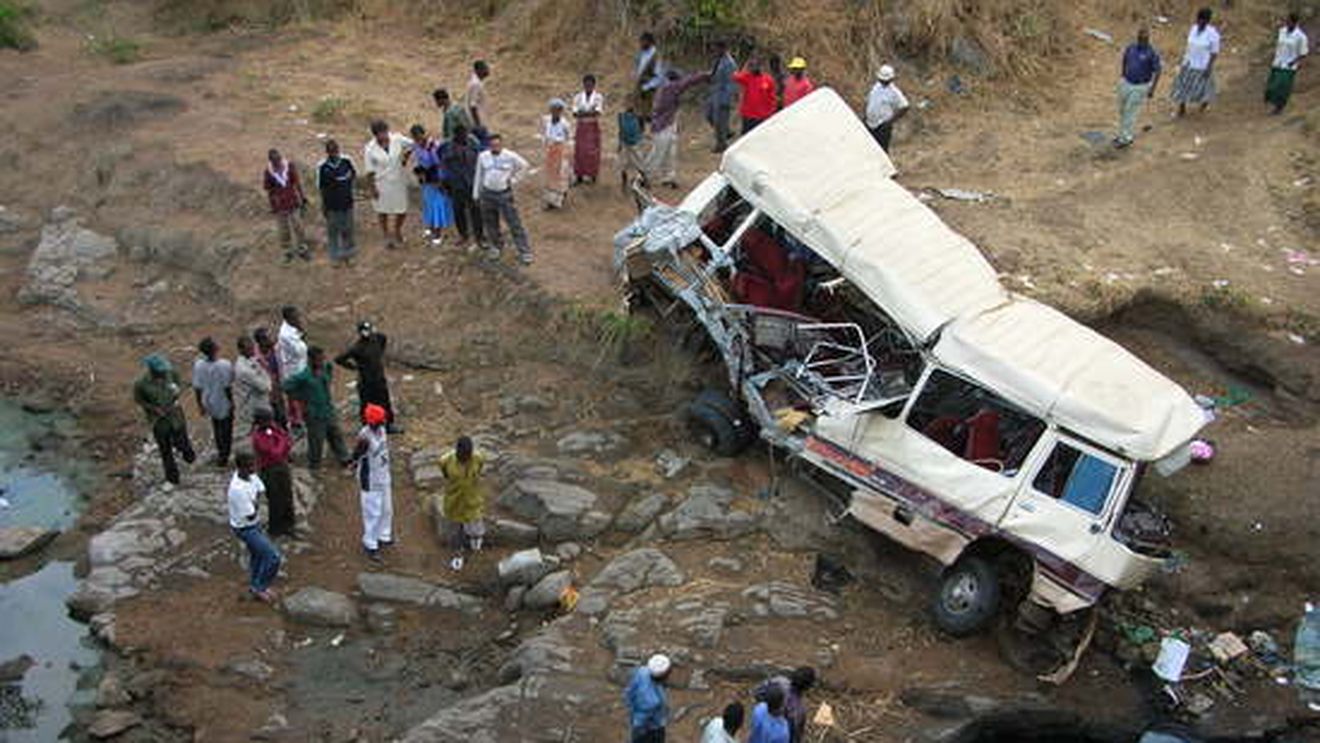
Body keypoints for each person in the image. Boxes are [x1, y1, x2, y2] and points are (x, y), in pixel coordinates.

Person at [281, 346, 350, 470]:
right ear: (311, 360)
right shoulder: (303, 376)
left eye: (322, 359)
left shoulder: (324, 370)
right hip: (314, 415)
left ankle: (345, 459)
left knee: (336, 435)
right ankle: (314, 466)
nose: (321, 361)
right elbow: (286, 386)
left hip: (328, 411)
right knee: (316, 442)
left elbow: (329, 376)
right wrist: (299, 398)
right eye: (319, 359)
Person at [228, 450, 282, 603]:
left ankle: (255, 584)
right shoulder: (237, 490)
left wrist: (255, 504)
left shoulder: (250, 476)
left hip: (253, 523)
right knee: (273, 557)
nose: (255, 468)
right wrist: (256, 505)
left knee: (257, 556)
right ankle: (260, 587)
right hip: (245, 528)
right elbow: (250, 514)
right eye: (251, 466)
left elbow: (260, 491)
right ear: (241, 468)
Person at [133, 354, 196, 485]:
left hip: (175, 416)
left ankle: (189, 456)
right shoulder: (141, 384)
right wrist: (153, 409)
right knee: (165, 450)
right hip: (159, 422)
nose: (163, 373)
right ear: (152, 370)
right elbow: (140, 401)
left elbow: (178, 385)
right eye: (160, 371)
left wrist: (176, 393)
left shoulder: (171, 373)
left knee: (182, 442)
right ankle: (173, 478)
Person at [473, 134, 533, 265]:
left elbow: (525, 166)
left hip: (504, 194)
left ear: (501, 145)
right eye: (492, 145)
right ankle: (496, 246)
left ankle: (525, 251)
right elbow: (479, 175)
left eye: (497, 145)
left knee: (514, 222)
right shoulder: (483, 156)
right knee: (490, 222)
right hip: (487, 194)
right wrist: (476, 194)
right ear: (489, 146)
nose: (495, 147)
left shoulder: (510, 156)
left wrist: (513, 180)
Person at [646, 69, 710, 188]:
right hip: (663, 125)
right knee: (659, 152)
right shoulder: (670, 88)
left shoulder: (664, 88)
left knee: (670, 152)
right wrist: (705, 75)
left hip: (667, 124)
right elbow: (689, 81)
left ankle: (668, 177)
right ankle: (645, 176)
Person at [334, 320, 396, 431]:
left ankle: (389, 424)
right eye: (364, 330)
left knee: (385, 401)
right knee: (366, 404)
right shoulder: (357, 348)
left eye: (368, 329)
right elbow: (339, 359)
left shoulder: (377, 339)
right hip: (366, 381)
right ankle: (367, 426)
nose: (367, 333)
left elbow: (383, 340)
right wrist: (353, 367)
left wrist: (379, 356)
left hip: (379, 377)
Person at [437, 436, 487, 571]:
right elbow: (445, 474)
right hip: (455, 499)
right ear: (457, 451)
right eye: (463, 455)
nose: (465, 458)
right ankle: (458, 554)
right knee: (456, 529)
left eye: (468, 455)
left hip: (472, 498)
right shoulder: (445, 460)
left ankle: (475, 541)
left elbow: (480, 467)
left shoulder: (478, 457)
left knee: (475, 522)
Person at [352, 404, 393, 562]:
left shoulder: (382, 431)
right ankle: (370, 543)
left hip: (383, 475)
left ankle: (384, 534)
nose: (382, 423)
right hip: (370, 480)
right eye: (379, 421)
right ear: (371, 422)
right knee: (372, 512)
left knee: (387, 509)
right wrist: (353, 464)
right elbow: (356, 456)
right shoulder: (364, 437)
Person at [364, 120, 413, 249]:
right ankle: (386, 234)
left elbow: (412, 145)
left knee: (402, 209)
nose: (385, 135)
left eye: (386, 131)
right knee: (382, 210)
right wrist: (372, 188)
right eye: (381, 133)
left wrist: (405, 158)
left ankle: (397, 230)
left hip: (398, 180)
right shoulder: (370, 148)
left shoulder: (397, 139)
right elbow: (369, 171)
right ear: (375, 135)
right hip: (381, 182)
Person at [1114, 28, 1162, 148]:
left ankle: (1126, 138)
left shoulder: (1152, 53)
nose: (1141, 41)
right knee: (1122, 110)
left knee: (1131, 111)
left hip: (1140, 86)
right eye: (1140, 39)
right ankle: (1121, 134)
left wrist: (1152, 89)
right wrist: (1123, 75)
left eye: (1144, 39)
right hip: (1126, 82)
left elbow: (1158, 71)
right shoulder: (1131, 48)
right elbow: (1124, 60)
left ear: (1147, 40)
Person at [250, 407, 295, 538]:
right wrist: (280, 439)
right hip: (268, 471)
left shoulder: (274, 429)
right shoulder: (257, 436)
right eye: (268, 420)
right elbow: (274, 452)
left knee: (287, 496)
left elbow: (288, 443)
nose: (271, 423)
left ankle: (289, 525)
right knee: (275, 500)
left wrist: (279, 439)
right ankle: (275, 529)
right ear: (260, 422)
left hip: (282, 467)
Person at [409, 124, 454, 246]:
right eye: (415, 138)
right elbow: (418, 160)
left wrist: (440, 181)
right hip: (426, 179)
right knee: (428, 204)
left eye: (420, 136)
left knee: (437, 206)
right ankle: (430, 227)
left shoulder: (434, 146)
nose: (418, 140)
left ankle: (438, 233)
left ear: (424, 134)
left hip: (436, 179)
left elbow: (439, 164)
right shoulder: (416, 146)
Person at [192, 337, 234, 467]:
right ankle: (224, 455)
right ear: (215, 349)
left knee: (216, 426)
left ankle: (221, 452)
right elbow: (228, 387)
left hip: (208, 401)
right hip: (222, 401)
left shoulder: (199, 365)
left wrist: (200, 405)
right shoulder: (225, 365)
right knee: (226, 429)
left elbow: (197, 388)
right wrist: (232, 402)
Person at [1170, 8, 1221, 118]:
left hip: (1202, 65)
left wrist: (1209, 67)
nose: (1199, 22)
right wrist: (1183, 59)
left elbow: (1214, 52)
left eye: (1202, 20)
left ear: (1207, 21)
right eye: (1198, 19)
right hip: (1188, 62)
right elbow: (1189, 45)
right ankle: (1181, 108)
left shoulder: (1213, 34)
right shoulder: (1193, 29)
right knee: (1182, 86)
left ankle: (1204, 104)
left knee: (1204, 87)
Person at [440, 124, 483, 250]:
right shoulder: (447, 147)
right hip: (456, 184)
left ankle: (479, 236)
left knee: (476, 210)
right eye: (462, 135)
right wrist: (444, 181)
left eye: (465, 134)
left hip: (472, 182)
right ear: (456, 136)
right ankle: (463, 235)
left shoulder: (473, 143)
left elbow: (480, 159)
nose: (465, 137)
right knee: (458, 211)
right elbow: (443, 164)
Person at [263, 149, 309, 263]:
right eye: (275, 161)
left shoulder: (289, 166)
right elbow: (269, 190)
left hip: (293, 201)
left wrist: (302, 197)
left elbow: (297, 182)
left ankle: (302, 248)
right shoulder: (268, 172)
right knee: (283, 230)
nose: (278, 163)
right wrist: (272, 205)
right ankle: (287, 251)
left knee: (298, 226)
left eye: (278, 160)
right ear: (271, 161)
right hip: (279, 204)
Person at [316, 138, 357, 266]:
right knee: (333, 231)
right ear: (327, 153)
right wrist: (323, 205)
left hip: (347, 202)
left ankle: (349, 255)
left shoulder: (346, 161)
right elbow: (321, 187)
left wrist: (351, 194)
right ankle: (335, 257)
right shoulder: (322, 167)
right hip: (332, 205)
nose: (334, 154)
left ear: (339, 150)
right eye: (331, 152)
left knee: (348, 229)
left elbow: (353, 177)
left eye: (336, 151)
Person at [757, 668, 816, 743]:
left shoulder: (779, 681)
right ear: (808, 687)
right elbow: (796, 737)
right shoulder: (799, 711)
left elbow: (758, 692)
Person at [1266, 13, 1309, 114]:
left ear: (1295, 23)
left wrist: (1293, 61)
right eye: (1287, 21)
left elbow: (1304, 52)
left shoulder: (1301, 36)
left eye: (1289, 22)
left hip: (1289, 66)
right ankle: (1275, 103)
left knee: (1282, 87)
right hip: (1277, 62)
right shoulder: (1282, 31)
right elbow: (1279, 45)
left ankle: (1279, 107)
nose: (1287, 23)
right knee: (1272, 86)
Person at [624, 654, 670, 742]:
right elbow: (642, 720)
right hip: (650, 729)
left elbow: (629, 691)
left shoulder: (642, 671)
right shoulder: (653, 701)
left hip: (638, 718)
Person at [233, 335, 272, 438]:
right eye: (249, 349)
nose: (253, 351)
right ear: (241, 350)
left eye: (252, 347)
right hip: (254, 407)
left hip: (258, 402)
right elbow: (266, 387)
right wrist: (265, 370)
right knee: (259, 434)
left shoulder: (251, 359)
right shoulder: (243, 369)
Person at [277, 305, 308, 433]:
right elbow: (301, 350)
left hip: (299, 366)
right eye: (296, 316)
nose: (298, 318)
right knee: (296, 398)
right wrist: (301, 331)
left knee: (298, 398)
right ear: (288, 318)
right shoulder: (286, 335)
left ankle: (298, 421)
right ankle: (297, 423)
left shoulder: (292, 328)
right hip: (293, 370)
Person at [864, 64, 909, 153]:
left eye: (885, 80)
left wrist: (889, 122)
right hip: (870, 123)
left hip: (882, 126)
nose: (883, 81)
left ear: (891, 79)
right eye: (881, 79)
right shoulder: (876, 86)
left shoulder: (894, 92)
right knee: (870, 150)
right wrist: (865, 116)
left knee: (882, 151)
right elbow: (870, 101)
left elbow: (905, 106)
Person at [571, 75, 604, 183]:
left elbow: (598, 112)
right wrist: (590, 112)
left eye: (590, 84)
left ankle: (592, 174)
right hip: (582, 126)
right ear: (583, 84)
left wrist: (583, 113)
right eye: (586, 84)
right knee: (580, 151)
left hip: (592, 126)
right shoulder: (578, 97)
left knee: (592, 151)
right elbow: (575, 113)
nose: (588, 86)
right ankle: (579, 176)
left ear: (594, 85)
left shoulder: (598, 96)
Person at [541, 99, 573, 209]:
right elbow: (544, 135)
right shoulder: (546, 120)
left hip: (561, 151)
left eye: (558, 109)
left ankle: (560, 198)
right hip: (550, 151)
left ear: (561, 111)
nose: (555, 111)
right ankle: (550, 200)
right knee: (550, 177)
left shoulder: (565, 124)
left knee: (561, 175)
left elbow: (569, 139)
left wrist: (567, 153)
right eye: (553, 109)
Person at [733, 56, 777, 134]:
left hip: (762, 117)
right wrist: (746, 67)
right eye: (752, 65)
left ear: (761, 66)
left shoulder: (768, 80)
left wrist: (771, 114)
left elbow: (772, 99)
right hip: (748, 116)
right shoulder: (747, 77)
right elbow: (735, 77)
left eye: (756, 65)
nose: (754, 67)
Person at [707, 40, 737, 152]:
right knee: (709, 115)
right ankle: (726, 132)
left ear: (723, 49)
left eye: (716, 49)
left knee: (719, 120)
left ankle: (721, 144)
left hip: (722, 96)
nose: (714, 51)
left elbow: (732, 83)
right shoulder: (719, 60)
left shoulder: (730, 63)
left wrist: (726, 100)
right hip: (715, 93)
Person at [253, 327, 286, 426]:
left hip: (278, 391)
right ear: (261, 341)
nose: (272, 339)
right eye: (268, 337)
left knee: (282, 418)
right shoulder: (255, 359)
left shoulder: (275, 350)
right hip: (266, 396)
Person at [618, 98, 647, 193]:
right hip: (626, 143)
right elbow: (620, 130)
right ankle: (624, 184)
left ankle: (645, 180)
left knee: (638, 162)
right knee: (624, 165)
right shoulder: (621, 116)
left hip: (634, 143)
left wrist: (639, 138)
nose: (629, 106)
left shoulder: (637, 117)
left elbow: (642, 129)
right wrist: (620, 143)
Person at [634, 32, 664, 121]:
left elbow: (658, 77)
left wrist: (647, 87)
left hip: (650, 91)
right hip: (641, 88)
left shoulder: (655, 56)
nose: (641, 44)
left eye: (643, 41)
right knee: (638, 115)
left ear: (649, 42)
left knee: (648, 116)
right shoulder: (641, 53)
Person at [466, 60, 492, 140]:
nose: (488, 70)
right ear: (479, 70)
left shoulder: (476, 82)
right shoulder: (475, 84)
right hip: (477, 123)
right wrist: (478, 125)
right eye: (485, 68)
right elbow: (472, 105)